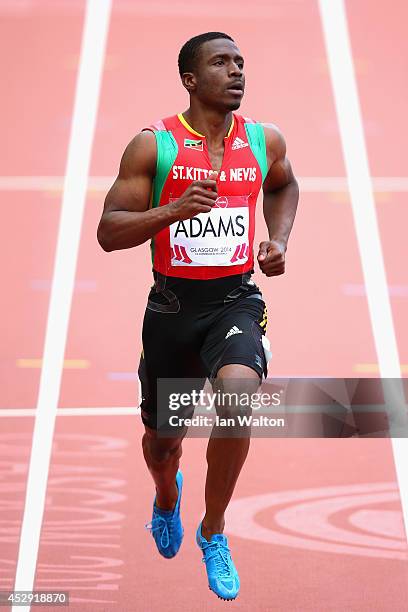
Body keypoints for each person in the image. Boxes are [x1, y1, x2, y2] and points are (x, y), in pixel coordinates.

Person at [97, 31, 299, 601]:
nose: (236, 71)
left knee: (238, 400)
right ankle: (166, 496)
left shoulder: (264, 140)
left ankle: (213, 531)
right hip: (171, 309)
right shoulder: (153, 145)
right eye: (220, 63)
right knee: (163, 445)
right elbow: (109, 232)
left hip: (234, 301)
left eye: (240, 62)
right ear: (190, 79)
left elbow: (285, 186)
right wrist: (173, 210)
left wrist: (276, 239)